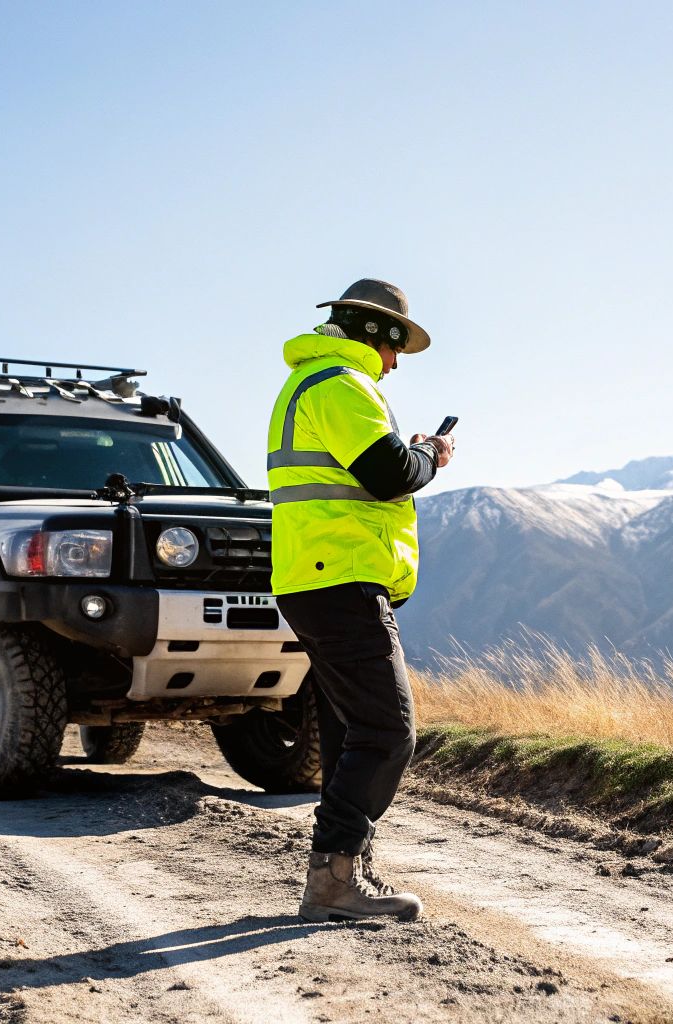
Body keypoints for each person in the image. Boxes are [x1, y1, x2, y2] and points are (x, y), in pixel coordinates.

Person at [265, 278, 453, 922]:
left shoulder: (310, 383)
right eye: (398, 349)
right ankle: (335, 879)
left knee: (351, 732)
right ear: (380, 334)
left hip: (314, 577)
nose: (397, 365)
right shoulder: (341, 385)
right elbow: (388, 474)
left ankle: (341, 868)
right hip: (339, 579)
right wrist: (431, 454)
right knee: (388, 731)